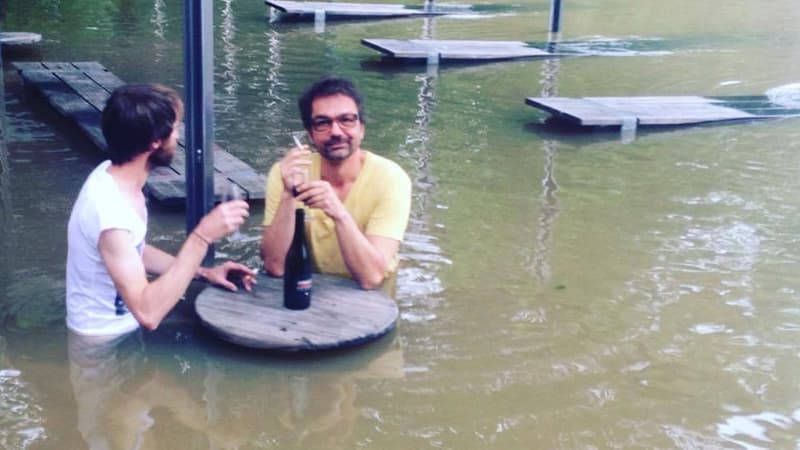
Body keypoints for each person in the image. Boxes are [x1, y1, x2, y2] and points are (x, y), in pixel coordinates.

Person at [66, 83, 255, 337]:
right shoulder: (109, 211)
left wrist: (203, 272)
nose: (178, 137)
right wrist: (202, 237)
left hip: (123, 332)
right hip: (103, 347)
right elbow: (148, 314)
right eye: (176, 129)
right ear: (155, 142)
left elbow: (135, 252)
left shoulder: (115, 178)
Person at [260, 76, 411, 290]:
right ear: (310, 134)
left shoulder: (391, 179)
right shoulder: (288, 173)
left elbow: (371, 277)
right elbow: (275, 267)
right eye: (323, 123)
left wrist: (339, 213)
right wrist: (288, 194)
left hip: (372, 301)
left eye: (347, 120)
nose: (336, 132)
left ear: (361, 128)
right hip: (308, 289)